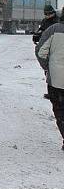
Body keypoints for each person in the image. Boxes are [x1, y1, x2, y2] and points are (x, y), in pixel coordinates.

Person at [35, 14, 64, 150]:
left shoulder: (53, 30)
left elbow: (41, 52)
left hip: (57, 80)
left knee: (59, 110)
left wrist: (47, 67)